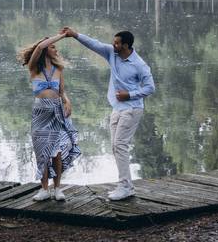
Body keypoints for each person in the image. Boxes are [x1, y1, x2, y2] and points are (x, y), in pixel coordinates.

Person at [59, 26, 155, 201]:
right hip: (117, 109)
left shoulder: (139, 65)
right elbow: (93, 44)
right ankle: (126, 185)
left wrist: (130, 94)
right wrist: (74, 35)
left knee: (120, 145)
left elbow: (150, 87)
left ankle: (125, 187)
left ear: (126, 46)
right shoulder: (112, 53)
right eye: (114, 41)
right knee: (115, 147)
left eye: (117, 43)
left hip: (132, 109)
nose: (113, 44)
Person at [16, 33, 81, 202]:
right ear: (45, 49)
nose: (56, 48)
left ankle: (57, 189)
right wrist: (61, 36)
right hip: (40, 113)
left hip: (56, 112)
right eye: (52, 46)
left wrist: (67, 102)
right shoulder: (34, 68)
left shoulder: (58, 69)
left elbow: (61, 91)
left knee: (57, 152)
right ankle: (44, 189)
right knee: (42, 153)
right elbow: (38, 47)